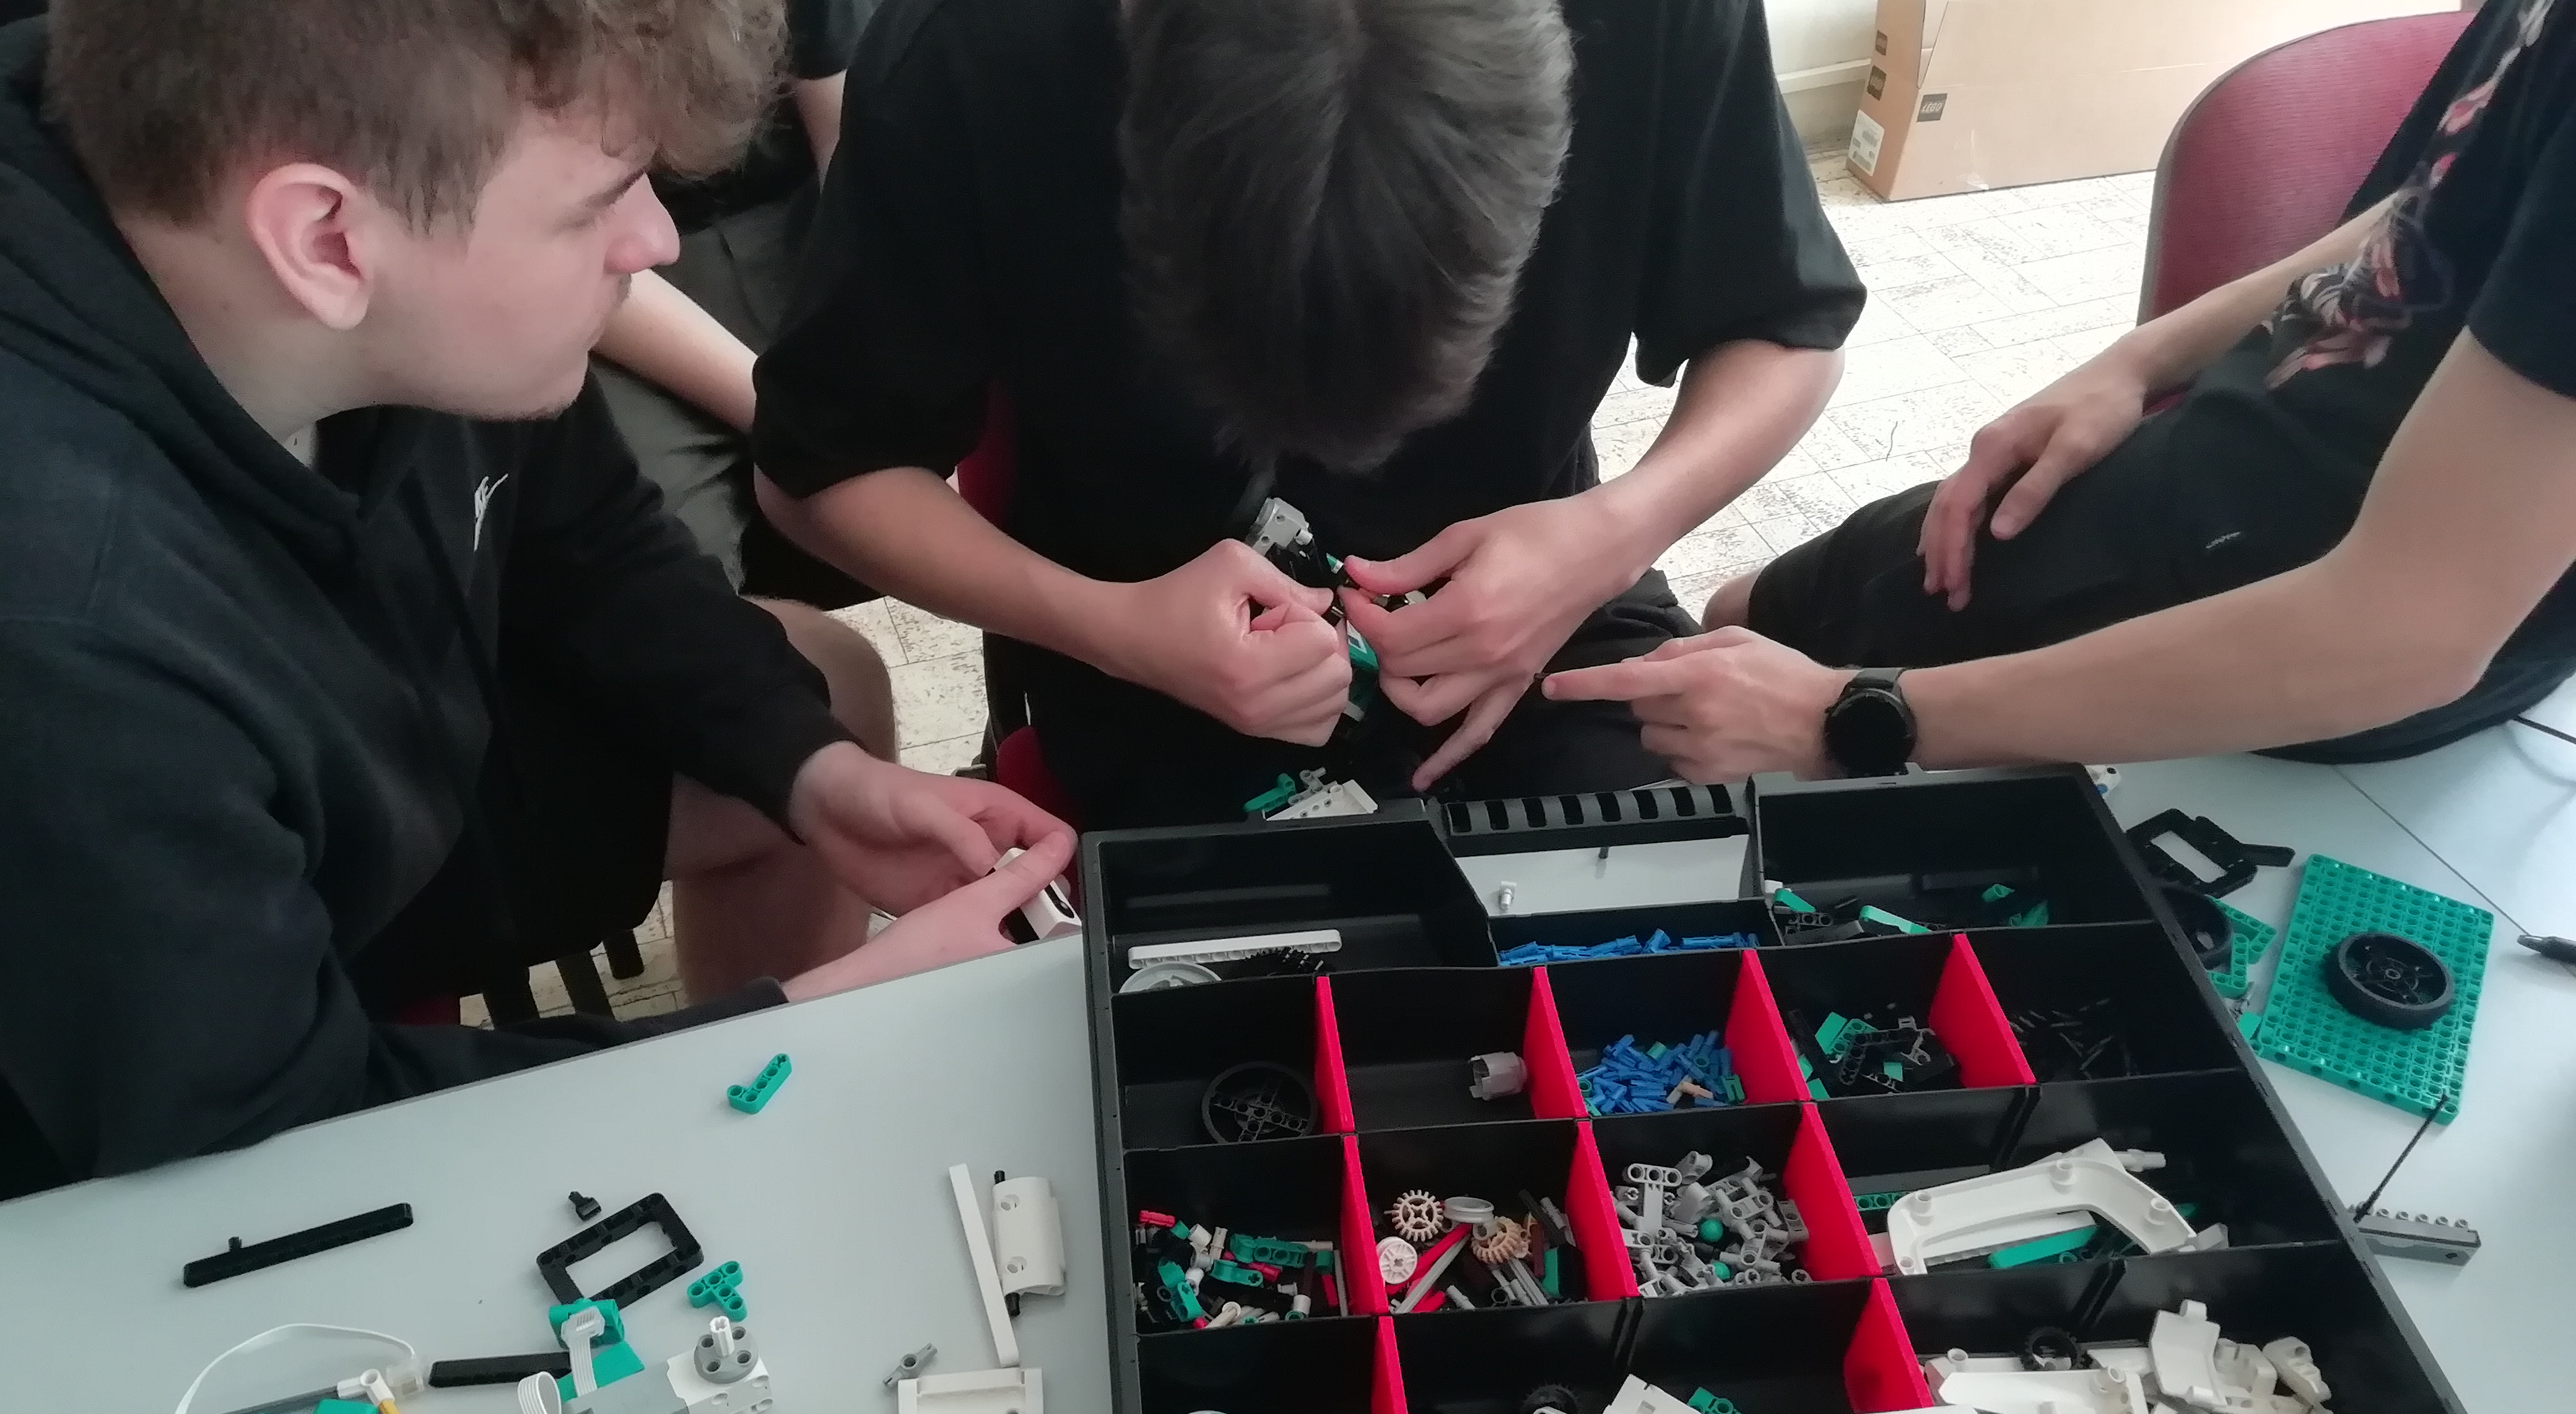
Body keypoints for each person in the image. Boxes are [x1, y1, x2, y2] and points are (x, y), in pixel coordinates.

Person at [0, 0, 1073, 1199]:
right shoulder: (69, 631)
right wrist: (807, 1023)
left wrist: (813, 773)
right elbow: (260, 1140)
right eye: (596, 202)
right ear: (328, 241)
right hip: (135, 1071)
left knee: (812, 692)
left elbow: (591, 540)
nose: (654, 242)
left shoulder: (329, 199)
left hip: (372, 772)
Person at [751, 0, 1865, 829]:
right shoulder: (975, 50)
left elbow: (1788, 329)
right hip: (1152, 646)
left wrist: (1612, 533)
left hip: (1551, 600)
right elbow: (822, 470)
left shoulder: (1653, 17)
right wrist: (1113, 628)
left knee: (1690, 909)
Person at [1547, 0, 2576, 780]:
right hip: (2207, 472)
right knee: (1750, 613)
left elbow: (2404, 634)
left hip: (2294, 644)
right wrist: (2131, 364)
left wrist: (1852, 718)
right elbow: (2437, 204)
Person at [592, 0, 877, 606]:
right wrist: (782, 413)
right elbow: (576, 241)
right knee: (661, 568)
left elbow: (849, 151)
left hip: (800, 226)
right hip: (616, 285)